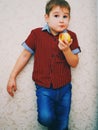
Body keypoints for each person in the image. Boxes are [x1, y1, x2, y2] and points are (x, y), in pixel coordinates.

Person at [7, 0, 81, 130]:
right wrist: (13, 76)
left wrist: (66, 50)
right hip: (44, 88)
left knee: (63, 123)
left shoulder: (71, 36)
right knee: (45, 117)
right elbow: (25, 56)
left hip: (64, 89)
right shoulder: (36, 34)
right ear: (47, 17)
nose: (61, 20)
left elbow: (74, 63)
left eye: (65, 16)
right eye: (56, 15)